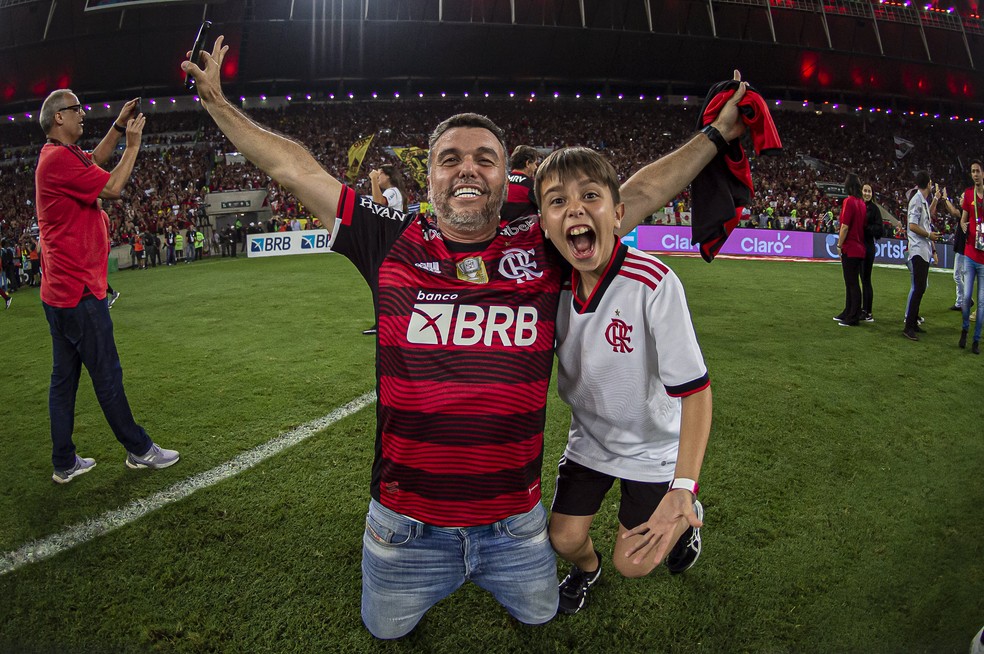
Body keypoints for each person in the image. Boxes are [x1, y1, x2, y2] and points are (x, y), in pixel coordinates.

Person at [182, 37, 746, 639]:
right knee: (386, 629)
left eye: (485, 157)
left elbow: (638, 193)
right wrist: (217, 101)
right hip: (404, 525)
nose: (467, 168)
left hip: (514, 524)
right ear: (428, 178)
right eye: (450, 159)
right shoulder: (389, 239)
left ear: (508, 179)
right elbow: (291, 167)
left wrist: (717, 136)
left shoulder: (544, 240)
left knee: (539, 611)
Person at [533, 147, 711, 615]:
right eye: (557, 201)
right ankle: (586, 572)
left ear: (617, 214)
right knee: (564, 538)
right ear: (545, 225)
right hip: (590, 441)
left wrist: (684, 485)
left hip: (654, 450)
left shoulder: (655, 283)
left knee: (633, 564)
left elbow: (696, 392)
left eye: (589, 195)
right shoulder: (548, 290)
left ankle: (686, 518)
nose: (574, 208)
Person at [35, 89, 179, 483]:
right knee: (107, 375)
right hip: (79, 292)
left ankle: (64, 462)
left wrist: (117, 125)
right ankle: (139, 449)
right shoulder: (57, 161)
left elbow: (96, 160)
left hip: (60, 293)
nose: (82, 114)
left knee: (63, 381)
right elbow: (113, 187)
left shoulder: (60, 157)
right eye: (76, 109)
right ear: (57, 118)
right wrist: (132, 144)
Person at [364, 164, 409, 335]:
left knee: (380, 283)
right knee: (383, 283)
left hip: (388, 242)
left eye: (380, 174)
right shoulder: (394, 193)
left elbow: (378, 204)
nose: (377, 176)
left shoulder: (392, 192)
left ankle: (384, 322)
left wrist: (373, 180)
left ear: (388, 176)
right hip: (388, 241)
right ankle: (386, 321)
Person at [903, 171, 940, 342]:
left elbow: (924, 220)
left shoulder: (922, 201)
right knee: (918, 288)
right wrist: (929, 235)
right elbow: (912, 225)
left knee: (920, 288)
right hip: (917, 249)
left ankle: (913, 322)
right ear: (928, 183)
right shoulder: (916, 201)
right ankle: (908, 326)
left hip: (923, 250)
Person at [834, 174, 866, 327]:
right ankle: (849, 311)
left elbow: (845, 226)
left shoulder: (849, 202)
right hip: (859, 247)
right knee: (852, 283)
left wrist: (839, 245)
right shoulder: (861, 203)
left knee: (851, 283)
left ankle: (853, 316)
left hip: (851, 247)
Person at [959, 159, 984, 353]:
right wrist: (963, 225)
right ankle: (965, 329)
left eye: (977, 171)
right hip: (969, 254)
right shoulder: (968, 194)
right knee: (967, 298)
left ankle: (976, 340)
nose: (975, 174)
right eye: (972, 171)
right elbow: (963, 219)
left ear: (983, 174)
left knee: (982, 302)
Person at [860, 183, 883, 322]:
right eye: (865, 190)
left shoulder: (874, 209)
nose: (867, 193)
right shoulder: (859, 205)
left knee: (866, 280)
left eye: (869, 191)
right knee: (862, 279)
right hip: (859, 246)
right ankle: (861, 309)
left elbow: (879, 230)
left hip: (867, 247)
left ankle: (867, 311)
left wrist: (866, 228)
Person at [501, 145, 540, 222]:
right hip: (523, 232)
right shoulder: (530, 184)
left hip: (501, 231)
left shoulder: (503, 181)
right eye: (535, 163)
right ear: (528, 163)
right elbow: (544, 207)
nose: (536, 167)